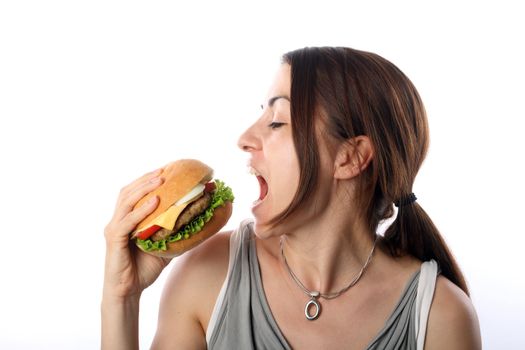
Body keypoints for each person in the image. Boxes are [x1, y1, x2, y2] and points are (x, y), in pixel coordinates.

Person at [102, 47, 481, 349]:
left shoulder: (439, 317)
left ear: (350, 157)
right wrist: (122, 298)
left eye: (277, 122)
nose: (245, 138)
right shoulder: (209, 273)